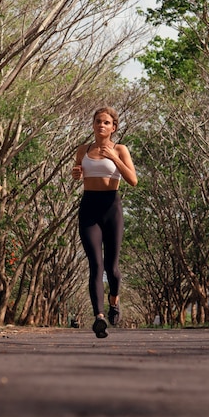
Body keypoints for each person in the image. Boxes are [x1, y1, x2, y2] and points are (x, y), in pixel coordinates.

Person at [72, 107, 137, 338]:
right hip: (89, 208)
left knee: (113, 268)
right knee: (96, 266)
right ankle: (99, 317)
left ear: (113, 127)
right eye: (98, 121)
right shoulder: (83, 150)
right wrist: (76, 173)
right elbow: (79, 173)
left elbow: (133, 180)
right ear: (93, 125)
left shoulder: (120, 149)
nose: (101, 125)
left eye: (106, 122)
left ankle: (114, 301)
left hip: (112, 208)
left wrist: (113, 158)